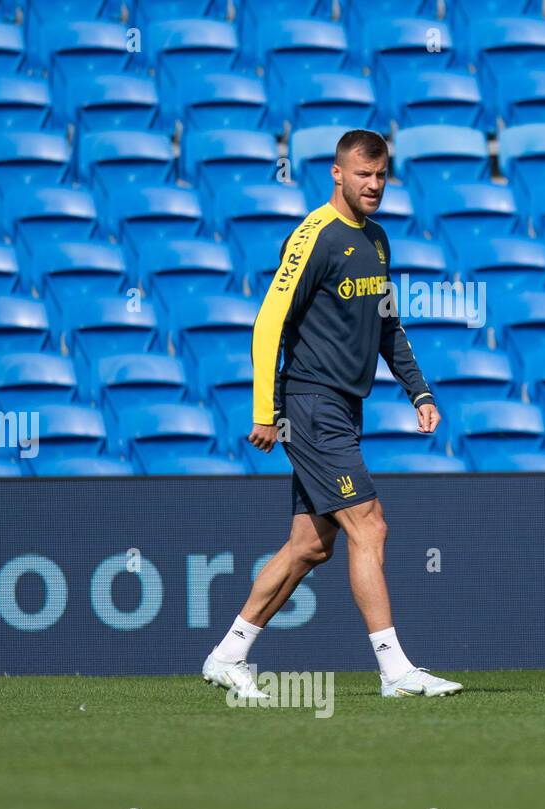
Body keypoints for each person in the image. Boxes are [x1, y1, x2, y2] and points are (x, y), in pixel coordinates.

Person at [203, 129, 463, 700]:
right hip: (310, 404)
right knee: (369, 523)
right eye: (362, 174)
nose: (373, 185)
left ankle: (228, 654)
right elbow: (268, 321)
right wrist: (266, 411)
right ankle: (395, 670)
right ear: (337, 174)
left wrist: (419, 392)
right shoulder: (313, 237)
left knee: (311, 546)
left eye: (381, 175)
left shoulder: (376, 239)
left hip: (343, 407)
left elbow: (388, 324)